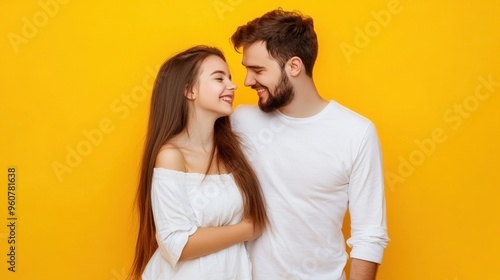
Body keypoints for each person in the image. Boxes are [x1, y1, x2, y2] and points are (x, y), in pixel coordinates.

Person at [229, 8, 390, 280]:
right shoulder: (240, 121)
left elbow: (369, 235)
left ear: (294, 66)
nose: (247, 81)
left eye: (257, 70)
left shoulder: (356, 133)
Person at [128, 45, 268, 280]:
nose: (232, 86)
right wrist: (247, 229)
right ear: (189, 91)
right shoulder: (171, 156)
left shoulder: (231, 152)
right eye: (219, 78)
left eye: (230, 78)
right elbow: (176, 244)